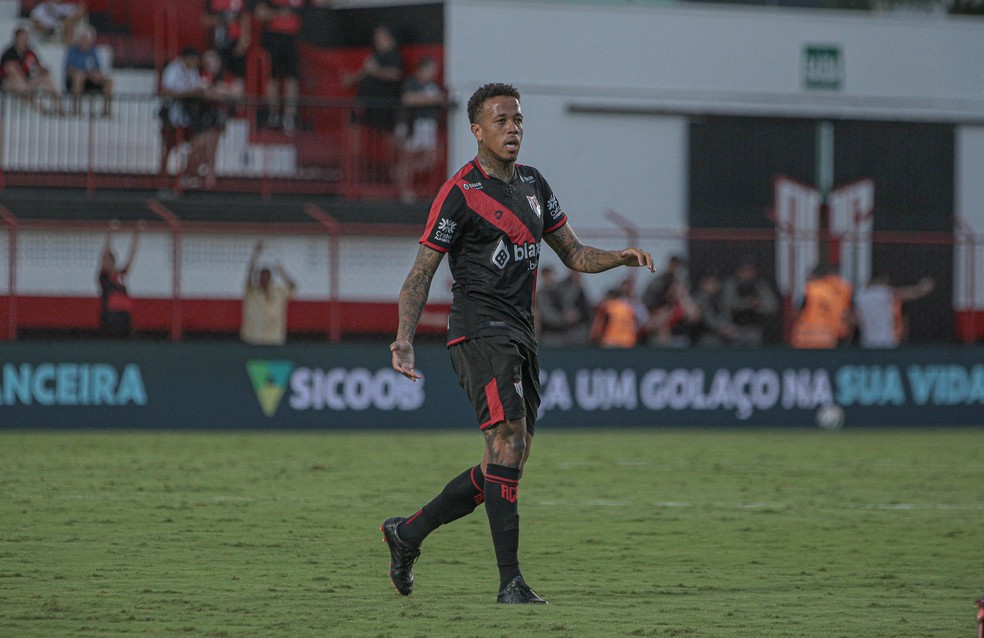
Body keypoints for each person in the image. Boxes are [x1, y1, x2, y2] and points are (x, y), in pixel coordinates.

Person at [383, 83, 655, 605]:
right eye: (502, 120)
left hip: (520, 334)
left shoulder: (533, 184)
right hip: (477, 329)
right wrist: (403, 339)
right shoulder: (460, 192)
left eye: (519, 120)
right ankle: (511, 583)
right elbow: (422, 271)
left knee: (507, 459)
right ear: (477, 130)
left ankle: (407, 534)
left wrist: (619, 257)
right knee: (506, 439)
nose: (514, 129)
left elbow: (572, 253)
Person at [392, 56, 445, 203]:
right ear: (421, 69)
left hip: (429, 125)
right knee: (408, 158)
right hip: (414, 125)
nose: (433, 74)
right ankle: (405, 190)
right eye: (430, 70)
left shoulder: (433, 86)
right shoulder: (411, 83)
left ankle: (399, 174)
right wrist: (429, 99)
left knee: (429, 158)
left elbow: (441, 98)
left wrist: (428, 99)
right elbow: (409, 99)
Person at [252, 0, 305, 134]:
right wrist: (280, 13)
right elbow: (260, 13)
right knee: (272, 77)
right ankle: (273, 114)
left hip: (293, 37)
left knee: (292, 78)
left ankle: (289, 117)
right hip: (272, 36)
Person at [159, 47, 208, 187]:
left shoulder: (192, 71)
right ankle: (163, 177)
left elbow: (196, 87)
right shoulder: (173, 69)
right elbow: (166, 90)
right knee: (169, 146)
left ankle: (186, 173)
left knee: (196, 143)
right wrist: (188, 93)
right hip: (172, 113)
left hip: (188, 113)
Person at [344, 24, 404, 134]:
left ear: (388, 38)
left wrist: (375, 71)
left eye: (379, 36)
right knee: (356, 125)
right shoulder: (376, 55)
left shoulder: (393, 55)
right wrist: (351, 79)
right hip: (366, 102)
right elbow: (366, 70)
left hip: (382, 104)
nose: (376, 39)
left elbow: (395, 75)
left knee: (382, 132)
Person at [854, 272, 934, 348]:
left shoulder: (860, 295)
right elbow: (907, 293)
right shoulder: (883, 292)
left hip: (867, 343)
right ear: (882, 280)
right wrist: (920, 289)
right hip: (886, 342)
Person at [240, 240, 297, 345]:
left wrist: (282, 272)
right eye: (262, 275)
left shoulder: (278, 291)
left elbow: (293, 287)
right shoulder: (252, 292)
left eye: (267, 275)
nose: (265, 278)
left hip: (274, 338)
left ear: (271, 277)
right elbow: (248, 276)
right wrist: (255, 255)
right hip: (253, 338)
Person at [0, 27, 63, 114]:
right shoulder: (9, 53)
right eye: (22, 38)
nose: (25, 40)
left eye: (26, 38)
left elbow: (38, 66)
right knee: (17, 79)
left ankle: (59, 107)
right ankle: (41, 109)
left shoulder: (29, 52)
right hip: (10, 84)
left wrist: (43, 71)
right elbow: (9, 71)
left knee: (46, 78)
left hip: (26, 83)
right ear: (16, 38)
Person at [790, 264, 854, 349]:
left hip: (805, 339)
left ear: (815, 276)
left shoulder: (810, 290)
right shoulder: (841, 291)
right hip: (830, 339)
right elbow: (849, 317)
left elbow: (796, 313)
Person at [720, 255, 779, 346]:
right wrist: (745, 303)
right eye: (745, 270)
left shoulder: (760, 285)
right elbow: (726, 303)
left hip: (753, 329)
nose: (749, 273)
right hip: (734, 328)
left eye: (751, 270)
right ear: (739, 271)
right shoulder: (731, 284)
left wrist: (759, 305)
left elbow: (772, 306)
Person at [98, 219, 142, 338]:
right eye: (105, 262)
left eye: (110, 262)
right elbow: (105, 252)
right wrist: (110, 233)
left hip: (125, 316)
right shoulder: (104, 277)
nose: (108, 264)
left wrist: (136, 234)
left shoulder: (120, 275)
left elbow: (131, 256)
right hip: (111, 317)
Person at [201, 0, 250, 98]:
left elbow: (245, 18)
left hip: (236, 41)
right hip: (218, 42)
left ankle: (237, 104)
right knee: (216, 70)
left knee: (237, 75)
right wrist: (222, 19)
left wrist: (243, 40)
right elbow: (204, 20)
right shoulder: (212, 2)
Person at [64, 25, 112, 117]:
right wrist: (86, 73)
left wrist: (97, 75)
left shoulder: (93, 52)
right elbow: (69, 69)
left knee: (109, 81)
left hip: (90, 79)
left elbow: (98, 69)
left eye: (87, 39)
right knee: (79, 77)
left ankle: (106, 111)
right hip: (74, 80)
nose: (84, 41)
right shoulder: (72, 50)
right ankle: (76, 110)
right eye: (82, 38)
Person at [537, 266, 592, 346]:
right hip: (550, 337)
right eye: (546, 275)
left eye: (550, 275)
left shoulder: (560, 289)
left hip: (570, 335)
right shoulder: (541, 294)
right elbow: (548, 316)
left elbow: (572, 302)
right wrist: (565, 318)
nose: (549, 278)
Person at [691, 271, 739, 346]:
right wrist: (722, 329)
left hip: (722, 335)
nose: (715, 285)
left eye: (715, 283)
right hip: (704, 336)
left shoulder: (718, 298)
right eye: (712, 283)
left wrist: (728, 326)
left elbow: (726, 312)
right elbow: (707, 319)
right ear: (703, 284)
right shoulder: (699, 298)